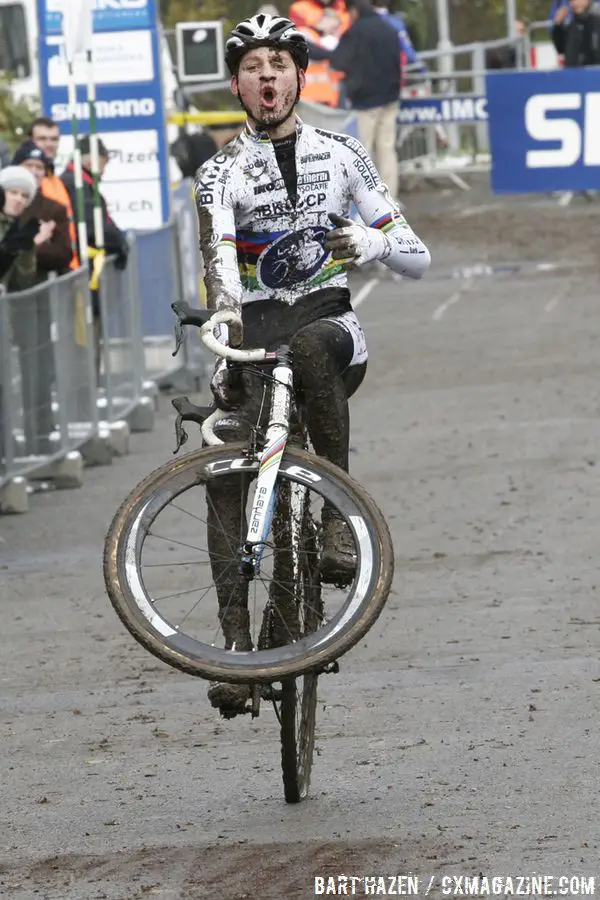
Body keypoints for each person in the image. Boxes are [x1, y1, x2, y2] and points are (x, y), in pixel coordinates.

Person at [195, 12, 430, 715]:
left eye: (280, 65)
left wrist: (374, 241)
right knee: (225, 464)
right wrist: (225, 314)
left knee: (308, 348)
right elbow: (217, 263)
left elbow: (419, 257)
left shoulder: (346, 154)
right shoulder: (219, 171)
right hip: (253, 332)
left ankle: (335, 521)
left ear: (301, 75)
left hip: (330, 326)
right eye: (253, 68)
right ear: (236, 83)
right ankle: (237, 652)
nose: (267, 77)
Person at [327, 0, 402, 200]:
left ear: (354, 10)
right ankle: (390, 200)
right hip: (390, 99)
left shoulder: (355, 32)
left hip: (365, 103)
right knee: (387, 150)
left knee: (363, 154)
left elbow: (337, 61)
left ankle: (366, 205)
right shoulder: (389, 28)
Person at [11, 140, 72, 282]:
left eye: (39, 167)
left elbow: (63, 255)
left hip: (41, 288)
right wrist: (36, 241)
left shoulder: (54, 209)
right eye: (28, 165)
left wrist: (30, 248)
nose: (34, 172)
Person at [28, 116, 80, 269]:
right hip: (44, 276)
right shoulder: (24, 185)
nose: (49, 144)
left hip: (69, 270)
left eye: (54, 139)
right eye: (42, 139)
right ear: (30, 141)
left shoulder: (56, 180)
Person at [288, 0, 350, 106]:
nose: (335, 28)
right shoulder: (306, 32)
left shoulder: (344, 10)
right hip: (309, 95)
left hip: (332, 93)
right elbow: (308, 48)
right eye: (333, 26)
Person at [551, 0, 600, 66]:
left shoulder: (596, 22)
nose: (578, 2)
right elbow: (560, 48)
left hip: (594, 71)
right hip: (573, 71)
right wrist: (558, 25)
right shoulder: (569, 27)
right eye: (574, 0)